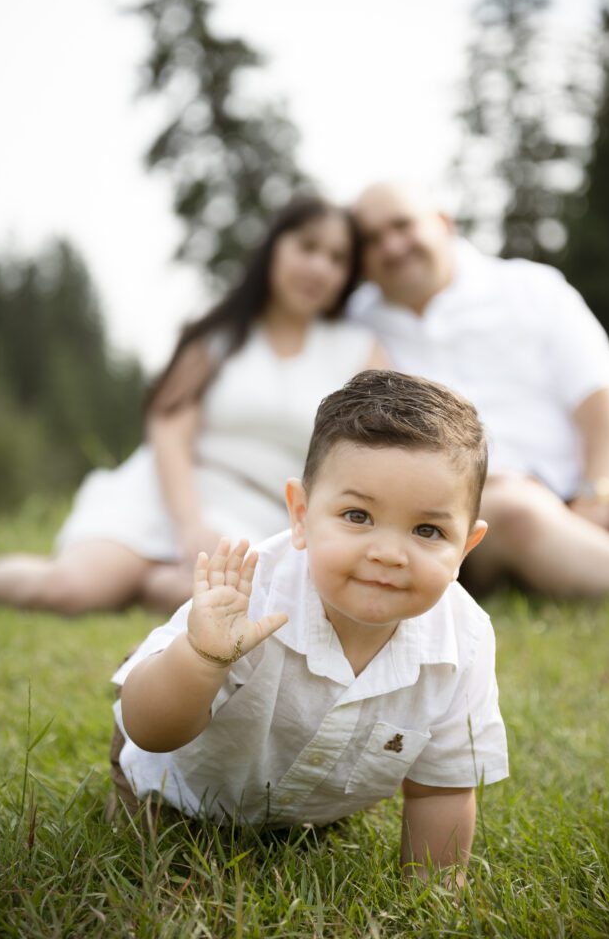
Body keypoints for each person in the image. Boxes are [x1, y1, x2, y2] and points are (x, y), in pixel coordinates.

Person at [111, 370, 508, 884]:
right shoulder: (250, 595)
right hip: (176, 785)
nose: (388, 553)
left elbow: (441, 788)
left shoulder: (465, 640)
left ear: (465, 548)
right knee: (153, 854)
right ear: (300, 515)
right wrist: (202, 658)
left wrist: (430, 897)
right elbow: (150, 731)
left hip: (311, 806)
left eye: (428, 530)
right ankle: (156, 659)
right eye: (357, 516)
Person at [0, 195, 387, 613]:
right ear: (274, 248)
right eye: (307, 247)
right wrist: (189, 525)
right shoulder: (218, 334)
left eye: (337, 259)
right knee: (71, 589)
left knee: (223, 597)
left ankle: (146, 582)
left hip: (261, 513)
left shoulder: (360, 350)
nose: (319, 267)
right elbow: (170, 431)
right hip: (168, 490)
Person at [350, 181, 609, 602]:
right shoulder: (357, 327)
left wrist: (598, 493)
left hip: (592, 479)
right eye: (371, 240)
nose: (391, 247)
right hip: (487, 505)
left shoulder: (531, 287)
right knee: (518, 512)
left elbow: (603, 398)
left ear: (443, 223)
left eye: (402, 226)